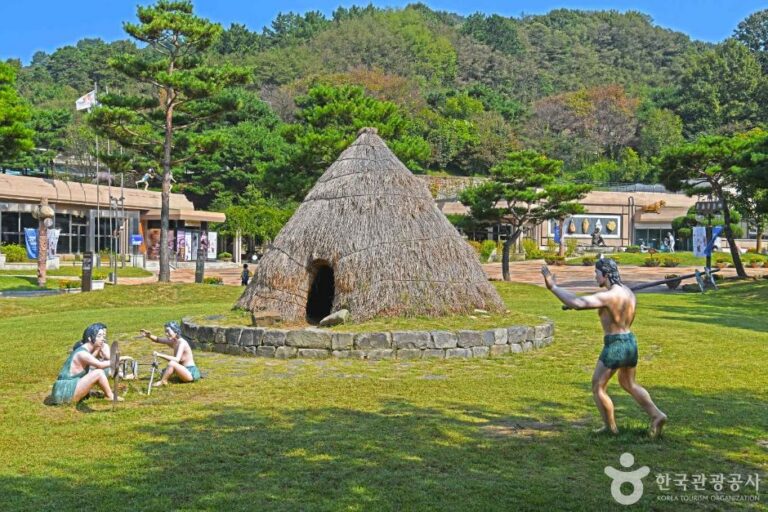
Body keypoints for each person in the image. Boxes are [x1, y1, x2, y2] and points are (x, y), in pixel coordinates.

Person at [541, 258, 667, 437]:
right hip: (630, 341)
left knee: (598, 387)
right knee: (629, 383)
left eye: (596, 273)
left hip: (615, 345)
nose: (595, 277)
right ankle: (657, 415)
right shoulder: (628, 292)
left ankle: (610, 428)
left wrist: (553, 287)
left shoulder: (609, 296)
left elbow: (577, 303)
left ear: (605, 274)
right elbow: (604, 307)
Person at [50, 323, 122, 405]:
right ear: (90, 338)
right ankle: (110, 396)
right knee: (98, 372)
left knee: (97, 372)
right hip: (65, 392)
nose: (102, 339)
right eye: (99, 336)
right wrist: (116, 360)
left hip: (64, 390)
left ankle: (104, 394)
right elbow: (100, 365)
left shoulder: (84, 351)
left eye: (103, 336)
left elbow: (92, 362)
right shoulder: (82, 354)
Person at [140, 321, 200, 386]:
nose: (166, 334)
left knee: (172, 363)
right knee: (164, 371)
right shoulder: (173, 341)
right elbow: (158, 340)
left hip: (190, 373)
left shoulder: (182, 343)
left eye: (168, 331)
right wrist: (148, 336)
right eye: (165, 331)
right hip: (183, 370)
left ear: (175, 331)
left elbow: (177, 359)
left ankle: (163, 381)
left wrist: (159, 354)